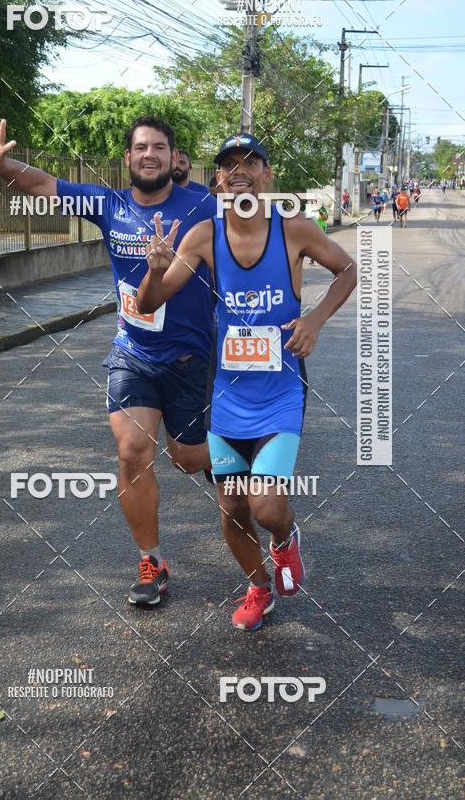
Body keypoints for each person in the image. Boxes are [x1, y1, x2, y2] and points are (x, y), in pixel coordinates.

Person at [0, 116, 216, 607]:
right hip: (133, 352)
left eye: (160, 147)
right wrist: (5, 168)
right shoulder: (109, 205)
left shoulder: (204, 207)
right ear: (127, 159)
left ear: (175, 159)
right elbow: (44, 183)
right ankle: (151, 561)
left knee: (187, 460)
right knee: (131, 451)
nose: (149, 154)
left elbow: (253, 245)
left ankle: (217, 457)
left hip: (191, 356)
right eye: (140, 147)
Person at [136, 133, 357, 631]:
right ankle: (259, 589)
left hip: (280, 393)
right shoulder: (202, 237)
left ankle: (284, 539)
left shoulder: (295, 230)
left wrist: (315, 319)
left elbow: (347, 270)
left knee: (267, 505)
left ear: (266, 175)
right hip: (227, 398)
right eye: (229, 163)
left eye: (250, 162)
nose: (239, 170)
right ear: (218, 179)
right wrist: (153, 271)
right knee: (233, 508)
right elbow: (150, 303)